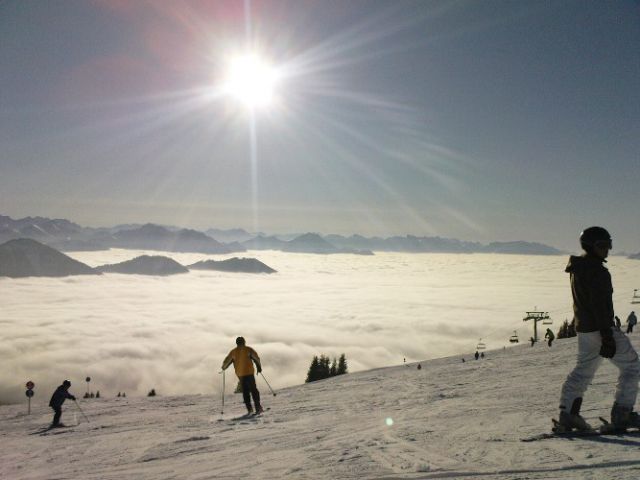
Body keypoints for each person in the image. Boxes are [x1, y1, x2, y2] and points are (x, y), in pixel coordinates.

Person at [557, 227, 640, 432]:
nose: (607, 250)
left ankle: (569, 414)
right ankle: (622, 413)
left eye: (608, 245)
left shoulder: (579, 268)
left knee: (583, 370)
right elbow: (598, 304)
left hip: (585, 329)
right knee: (632, 366)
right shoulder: (597, 271)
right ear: (590, 247)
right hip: (601, 328)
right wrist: (607, 335)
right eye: (602, 246)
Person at [222, 337, 263, 415]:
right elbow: (256, 358)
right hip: (249, 373)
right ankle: (258, 407)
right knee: (254, 390)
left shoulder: (233, 352)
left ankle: (249, 409)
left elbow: (227, 361)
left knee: (245, 391)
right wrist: (259, 368)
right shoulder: (249, 349)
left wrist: (224, 367)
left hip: (240, 374)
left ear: (237, 343)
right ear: (244, 342)